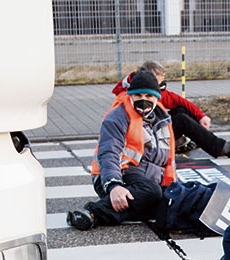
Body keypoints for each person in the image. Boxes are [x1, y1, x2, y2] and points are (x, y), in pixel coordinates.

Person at [66, 71, 176, 231]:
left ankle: (135, 208)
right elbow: (108, 153)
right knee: (151, 192)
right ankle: (92, 213)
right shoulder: (117, 117)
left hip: (146, 180)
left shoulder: (163, 120)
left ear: (157, 98)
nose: (143, 100)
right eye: (138, 95)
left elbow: (168, 160)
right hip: (116, 175)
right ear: (130, 95)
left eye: (149, 96)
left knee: (168, 202)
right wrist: (114, 185)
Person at [113, 62, 230, 159]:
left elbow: (176, 100)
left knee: (181, 110)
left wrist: (201, 116)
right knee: (181, 121)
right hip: (145, 141)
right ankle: (222, 148)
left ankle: (190, 142)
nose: (161, 86)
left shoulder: (140, 87)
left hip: (150, 132)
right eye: (159, 83)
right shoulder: (130, 96)